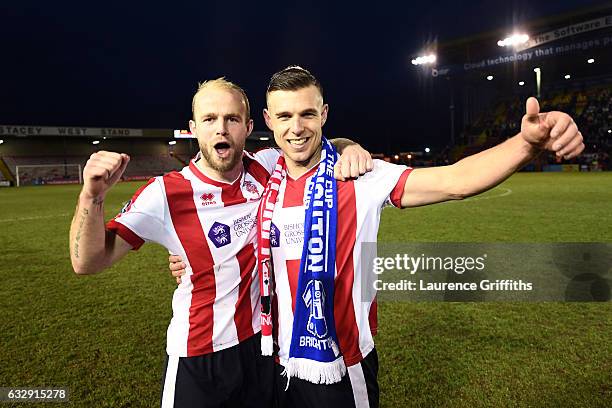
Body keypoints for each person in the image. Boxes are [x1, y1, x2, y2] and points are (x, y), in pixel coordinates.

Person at [170, 66, 584, 408]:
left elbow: (455, 181)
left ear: (325, 113)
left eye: (308, 114)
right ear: (267, 120)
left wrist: (526, 144)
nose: (296, 128)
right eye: (284, 117)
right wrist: (189, 260)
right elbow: (216, 207)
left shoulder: (359, 175)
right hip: (273, 363)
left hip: (340, 364)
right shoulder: (261, 172)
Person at [68, 77, 372, 408]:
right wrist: (91, 197)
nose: (221, 129)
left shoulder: (267, 166)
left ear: (249, 126)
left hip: (262, 350)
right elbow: (88, 262)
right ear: (193, 127)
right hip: (199, 360)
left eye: (232, 119)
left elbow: (316, 144)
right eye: (210, 119)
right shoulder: (164, 194)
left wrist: (348, 147)